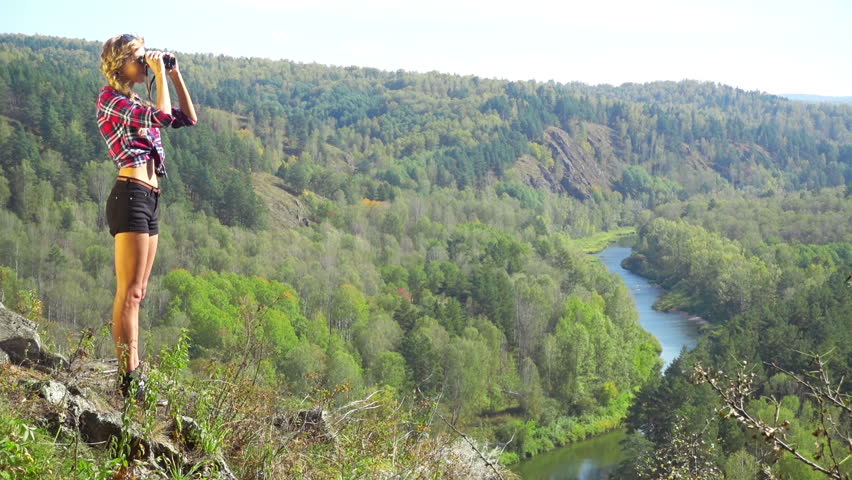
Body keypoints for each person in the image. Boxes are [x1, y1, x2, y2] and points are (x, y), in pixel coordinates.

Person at [96, 33, 197, 399]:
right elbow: (163, 115)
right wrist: (156, 70)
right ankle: (129, 377)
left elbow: (187, 118)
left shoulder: (134, 99)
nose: (144, 62)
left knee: (140, 293)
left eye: (145, 56)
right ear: (119, 63)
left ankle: (133, 372)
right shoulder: (111, 100)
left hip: (149, 197)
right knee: (130, 291)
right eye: (138, 57)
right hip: (131, 195)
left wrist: (173, 74)